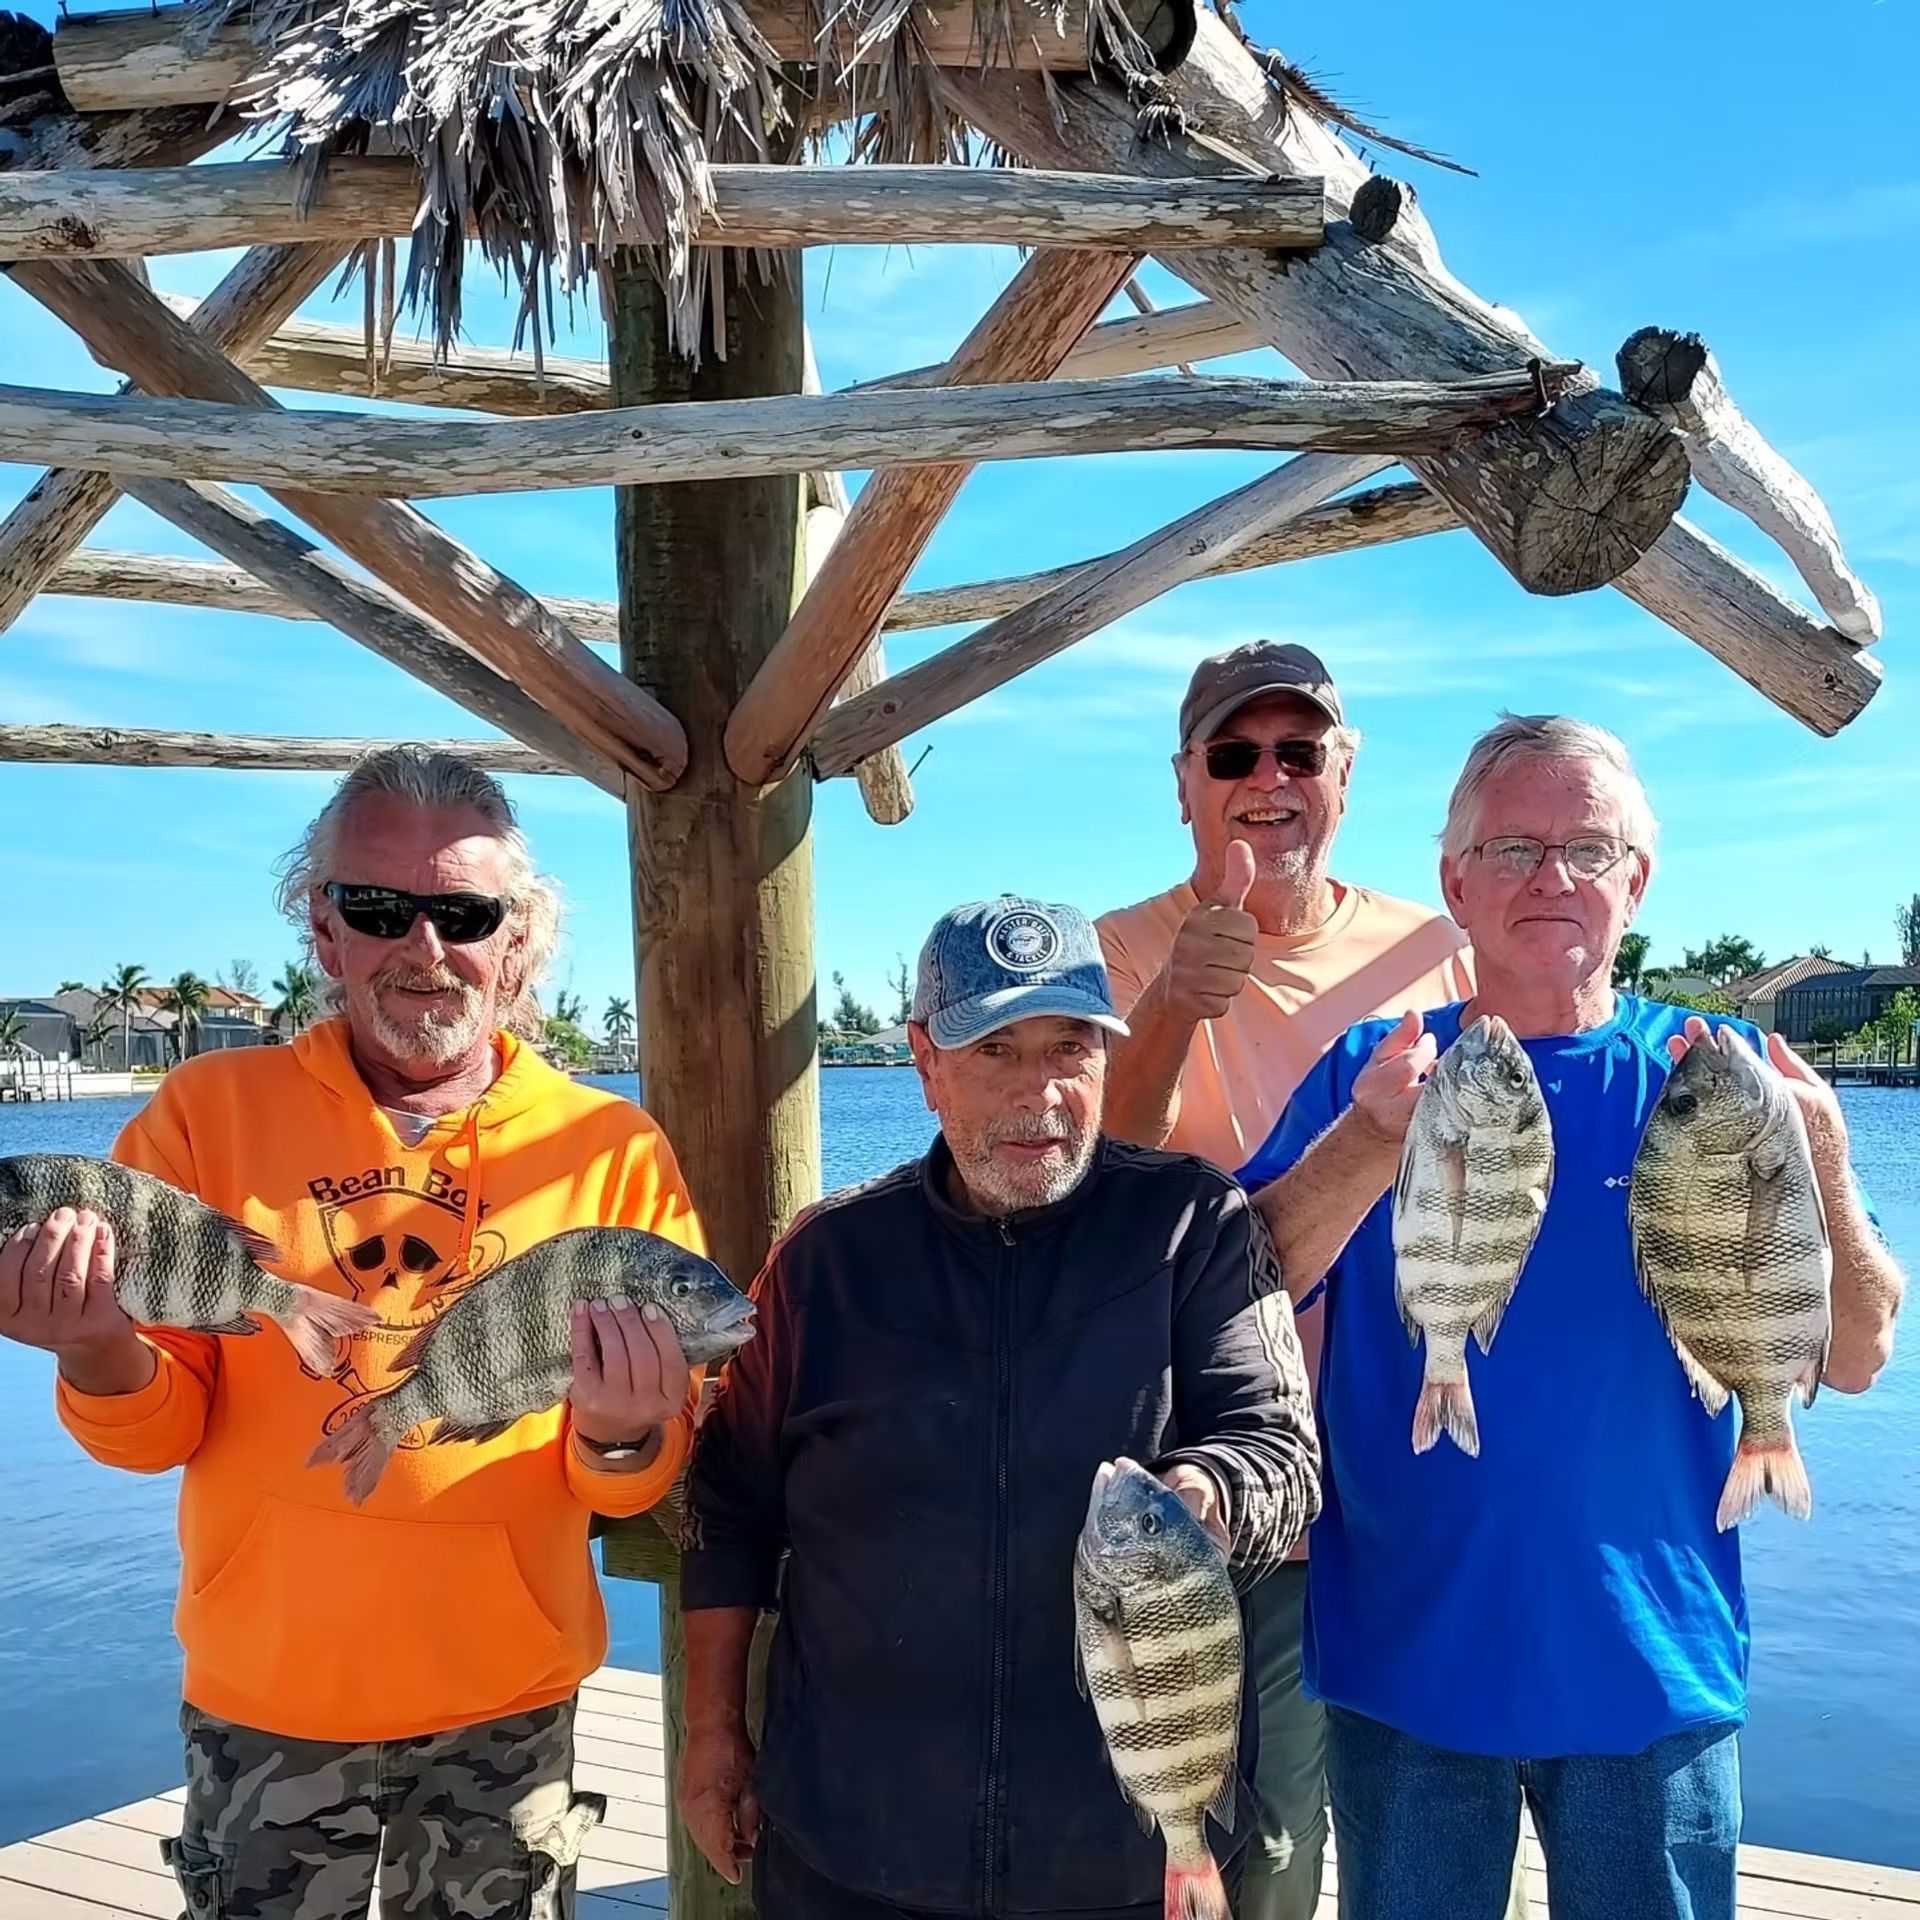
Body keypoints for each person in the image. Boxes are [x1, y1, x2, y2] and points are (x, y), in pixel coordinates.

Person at [0, 746, 706, 1920]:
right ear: (323, 932)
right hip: (265, 1698)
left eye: (463, 912)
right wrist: (87, 1344)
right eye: (378, 908)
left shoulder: (611, 1149)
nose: (422, 948)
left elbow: (631, 1484)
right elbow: (152, 1431)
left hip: (508, 1702)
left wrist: (628, 1433)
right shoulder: (203, 1114)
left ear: (518, 939)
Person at [1241, 714, 1906, 1920]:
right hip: (1409, 1662)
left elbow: (1856, 1359)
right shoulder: (1373, 1070)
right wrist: (1365, 1144)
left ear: (1636, 882)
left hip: (1653, 1670)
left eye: (1588, 849)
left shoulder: (1731, 1076)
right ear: (1454, 882)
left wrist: (1830, 1162)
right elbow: (1246, 1295)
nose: (1552, 876)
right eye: (1511, 850)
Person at [674, 894, 1322, 1918]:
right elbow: (729, 1505)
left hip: (1129, 1860)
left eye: (1070, 1047)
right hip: (850, 1858)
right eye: (995, 1053)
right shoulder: (823, 1264)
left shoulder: (1193, 1223)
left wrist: (1212, 1490)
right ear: (926, 1062)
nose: (1042, 1094)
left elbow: (1282, 1453)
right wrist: (711, 1735)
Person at [1095, 638, 1474, 1920]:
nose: (1270, 779)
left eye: (1298, 752)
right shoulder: (1120, 947)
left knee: (1406, 1815)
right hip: (1227, 1467)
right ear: (1186, 783)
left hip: (1418, 1464)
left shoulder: (1437, 946)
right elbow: (1094, 1185)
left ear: (1343, 774)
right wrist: (1169, 1010)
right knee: (1225, 1842)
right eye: (1235, 754)